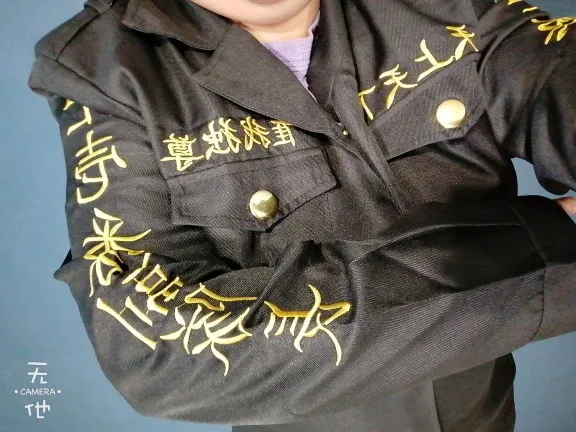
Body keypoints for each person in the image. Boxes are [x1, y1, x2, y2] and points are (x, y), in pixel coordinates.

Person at [28, 0, 576, 431]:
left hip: (479, 407)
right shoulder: (102, 67)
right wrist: (549, 244)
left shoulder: (453, 8)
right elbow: (159, 352)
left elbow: (553, 72)